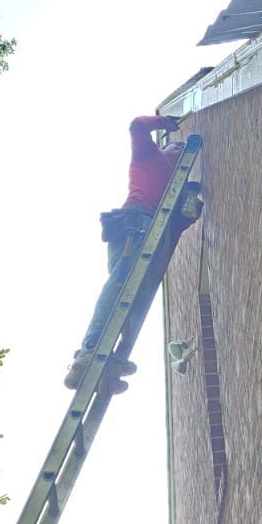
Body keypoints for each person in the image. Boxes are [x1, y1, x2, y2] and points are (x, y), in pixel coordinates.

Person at [64, 114, 188, 393]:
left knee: (135, 297)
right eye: (174, 147)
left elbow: (179, 222)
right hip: (134, 224)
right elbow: (137, 126)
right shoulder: (149, 158)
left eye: (181, 153)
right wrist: (165, 122)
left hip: (149, 230)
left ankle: (109, 365)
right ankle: (88, 354)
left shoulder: (174, 188)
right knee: (120, 286)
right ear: (164, 147)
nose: (178, 152)